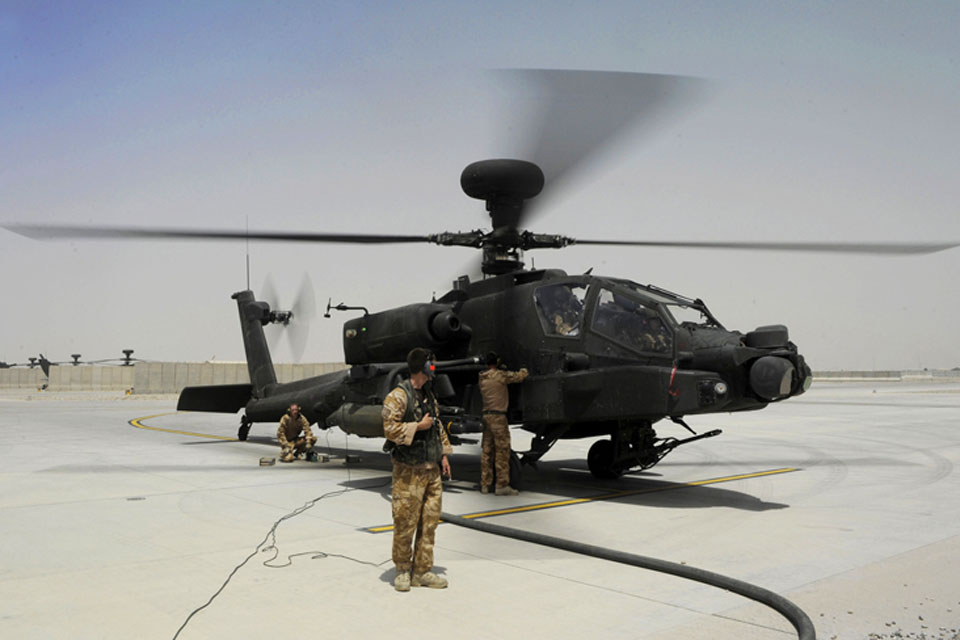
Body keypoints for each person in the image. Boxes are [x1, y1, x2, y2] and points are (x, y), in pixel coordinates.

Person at [382, 347, 453, 592]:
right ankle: (402, 569)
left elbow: (437, 425)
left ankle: (422, 570)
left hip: (431, 470)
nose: (433, 369)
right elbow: (390, 429)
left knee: (429, 523)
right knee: (405, 522)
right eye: (430, 365)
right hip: (409, 471)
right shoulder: (398, 396)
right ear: (421, 368)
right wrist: (418, 426)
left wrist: (443, 454)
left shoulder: (428, 395)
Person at [477, 351, 528, 496]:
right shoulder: (500, 375)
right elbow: (520, 376)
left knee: (487, 451)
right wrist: (524, 369)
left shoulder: (482, 377)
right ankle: (502, 485)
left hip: (486, 416)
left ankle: (485, 485)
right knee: (502, 451)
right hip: (499, 418)